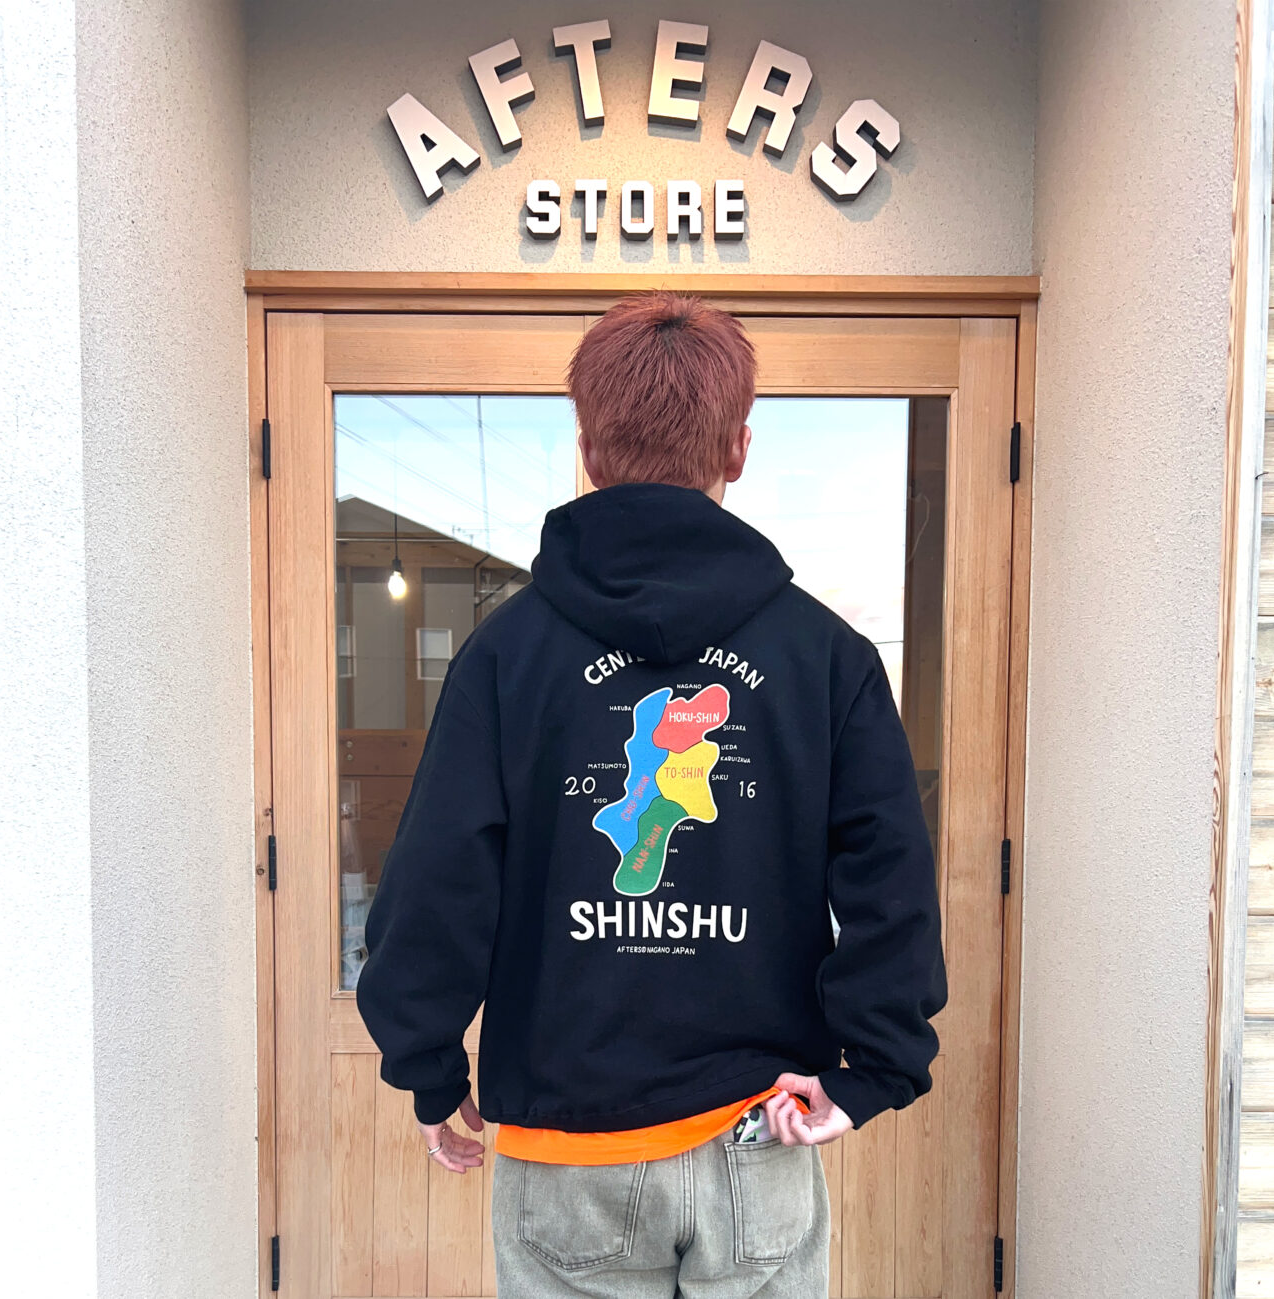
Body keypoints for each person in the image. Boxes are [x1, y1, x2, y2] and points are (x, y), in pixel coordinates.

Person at [356, 290, 948, 1298]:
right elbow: (891, 874)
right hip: (759, 1135)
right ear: (739, 449)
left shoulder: (506, 655)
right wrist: (873, 1069)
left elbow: (439, 875)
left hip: (568, 1146)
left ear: (588, 449)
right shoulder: (825, 658)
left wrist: (427, 1064)